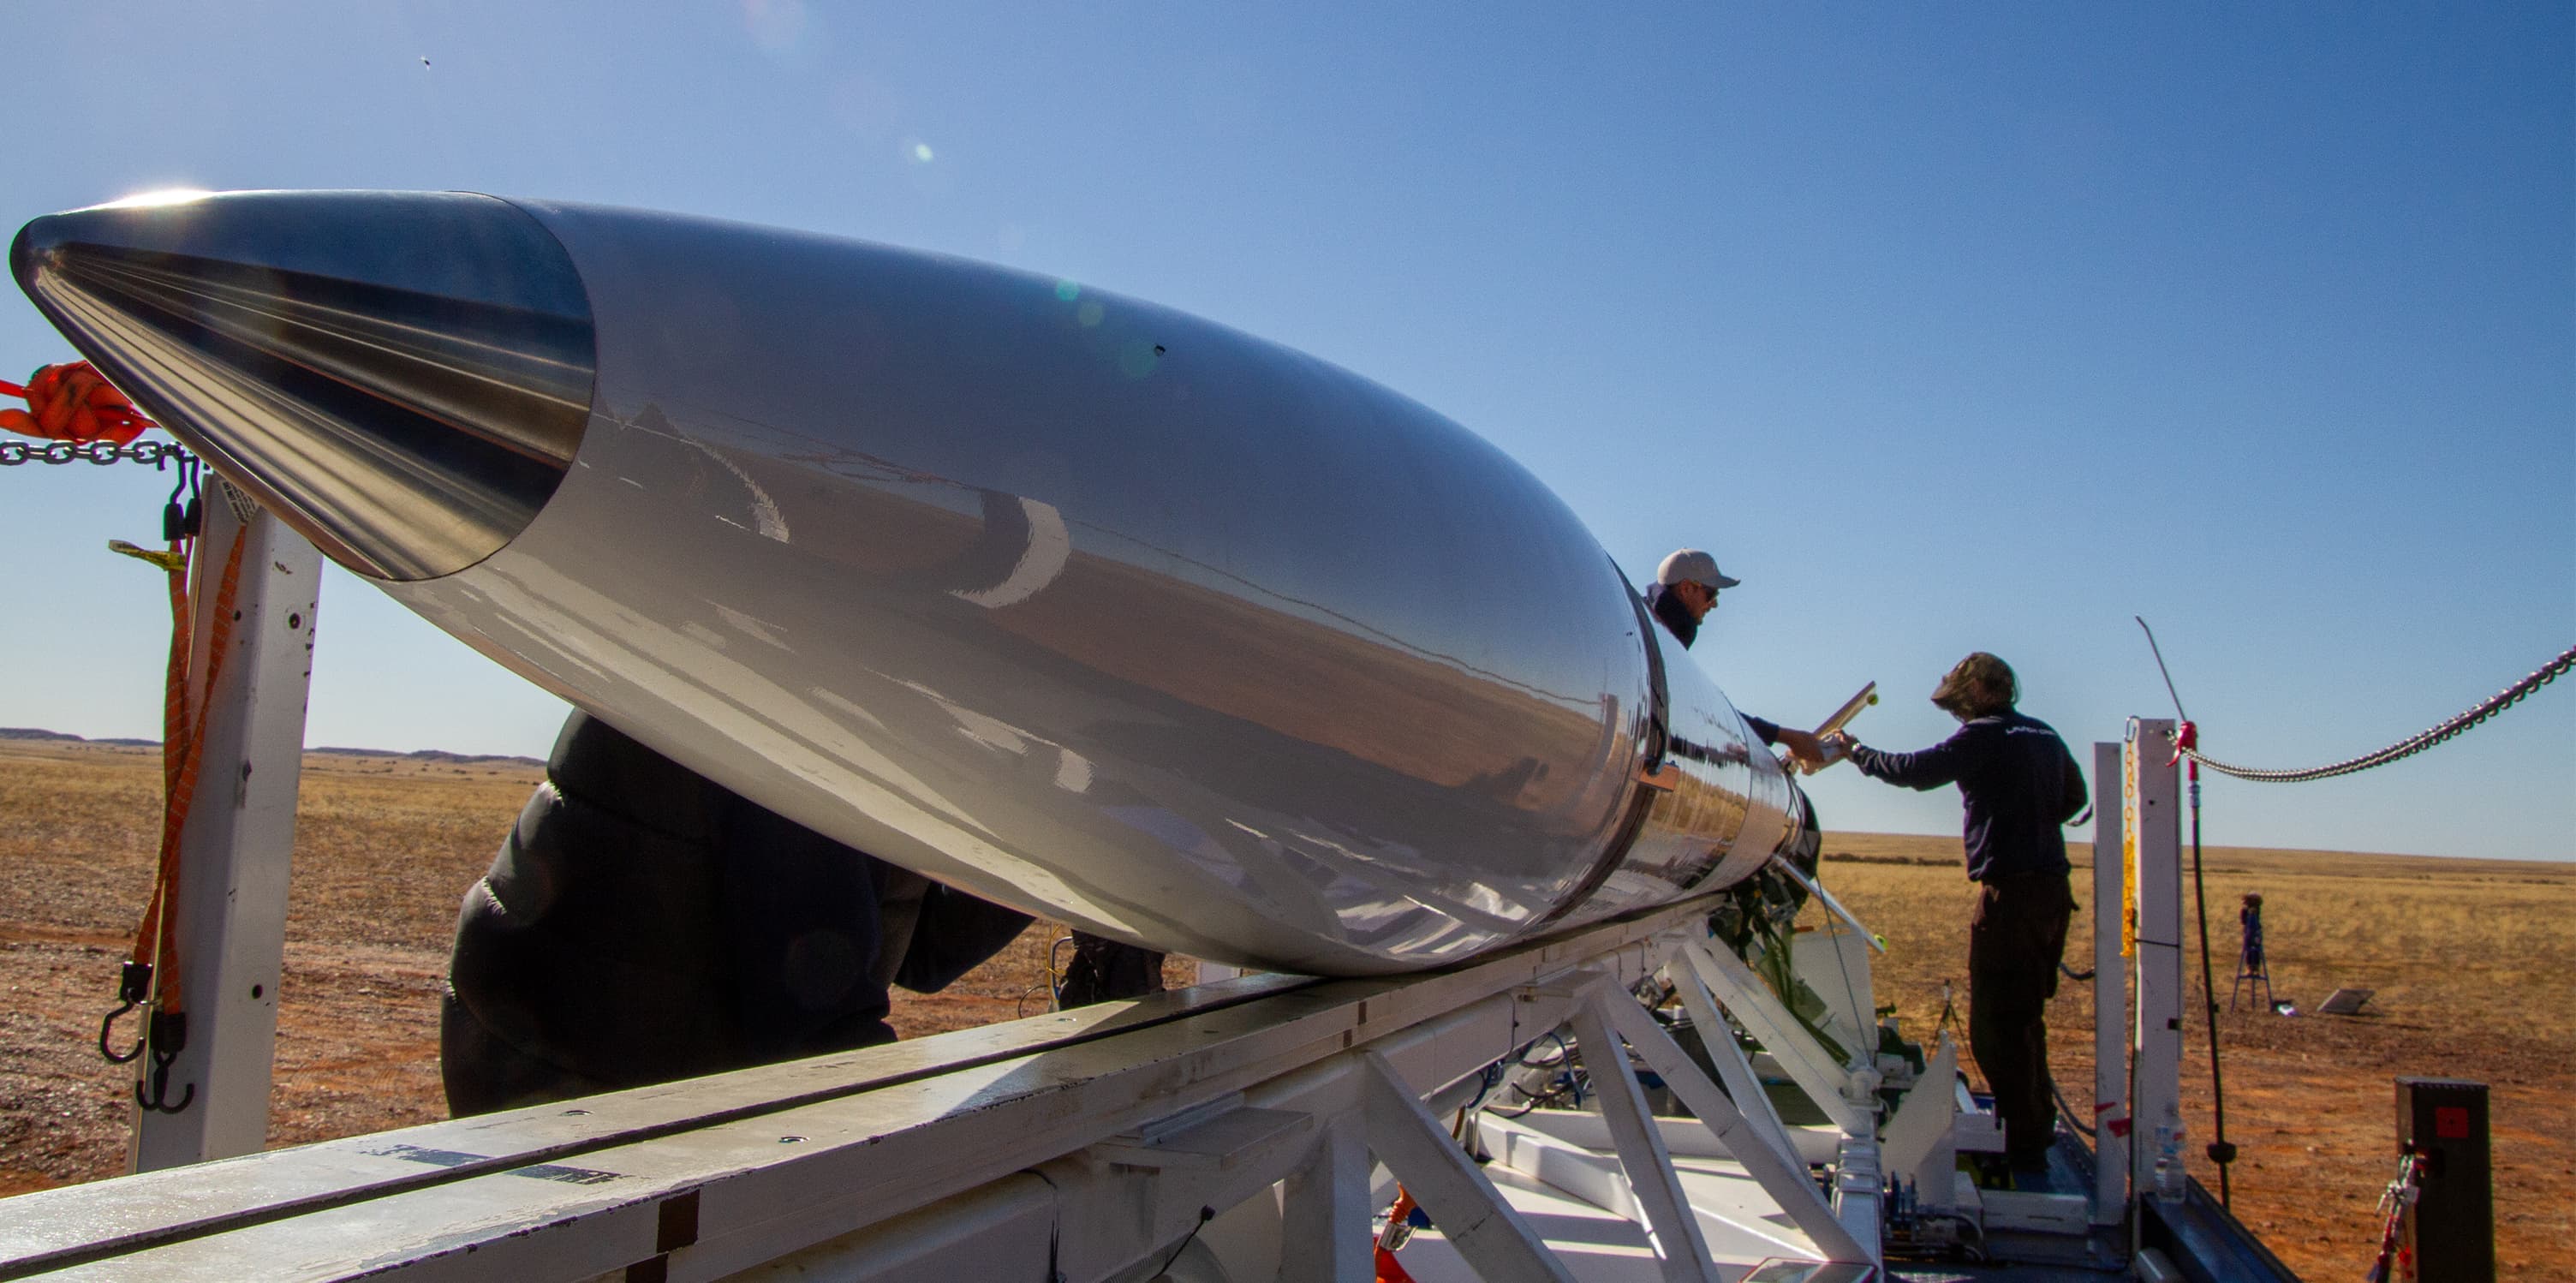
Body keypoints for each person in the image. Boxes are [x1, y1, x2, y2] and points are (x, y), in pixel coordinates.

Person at [441, 711, 1033, 1114]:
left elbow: (918, 949)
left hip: (603, 1065)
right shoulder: (806, 695)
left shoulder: (867, 696)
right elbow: (816, 1028)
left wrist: (1074, 864)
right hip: (584, 1083)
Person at [1821, 652, 2086, 1174]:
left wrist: (1856, 752)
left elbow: (1917, 772)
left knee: (1998, 1023)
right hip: (2052, 894)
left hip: (2010, 898)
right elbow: (2074, 797)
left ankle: (2023, 1145)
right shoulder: (2045, 735)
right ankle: (2032, 1126)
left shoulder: (1983, 736)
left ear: (1983, 690)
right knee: (2026, 1014)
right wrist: (2025, 816)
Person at [1644, 548, 1825, 769]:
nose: (1715, 604)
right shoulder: (1657, 641)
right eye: (1711, 594)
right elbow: (1700, 712)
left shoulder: (1653, 631)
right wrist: (1789, 737)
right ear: (1686, 589)